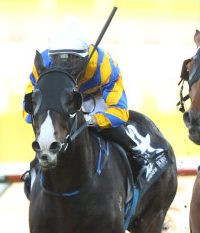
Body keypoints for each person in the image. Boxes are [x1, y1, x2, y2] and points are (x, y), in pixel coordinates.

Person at [22, 15, 167, 197]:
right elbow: (27, 110)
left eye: (72, 60)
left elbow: (120, 112)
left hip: (95, 101)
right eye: (59, 59)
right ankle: (35, 172)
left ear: (84, 57)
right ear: (51, 57)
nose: (65, 65)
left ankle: (139, 161)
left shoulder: (102, 64)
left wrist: (91, 120)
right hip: (62, 103)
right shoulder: (43, 64)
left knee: (114, 130)